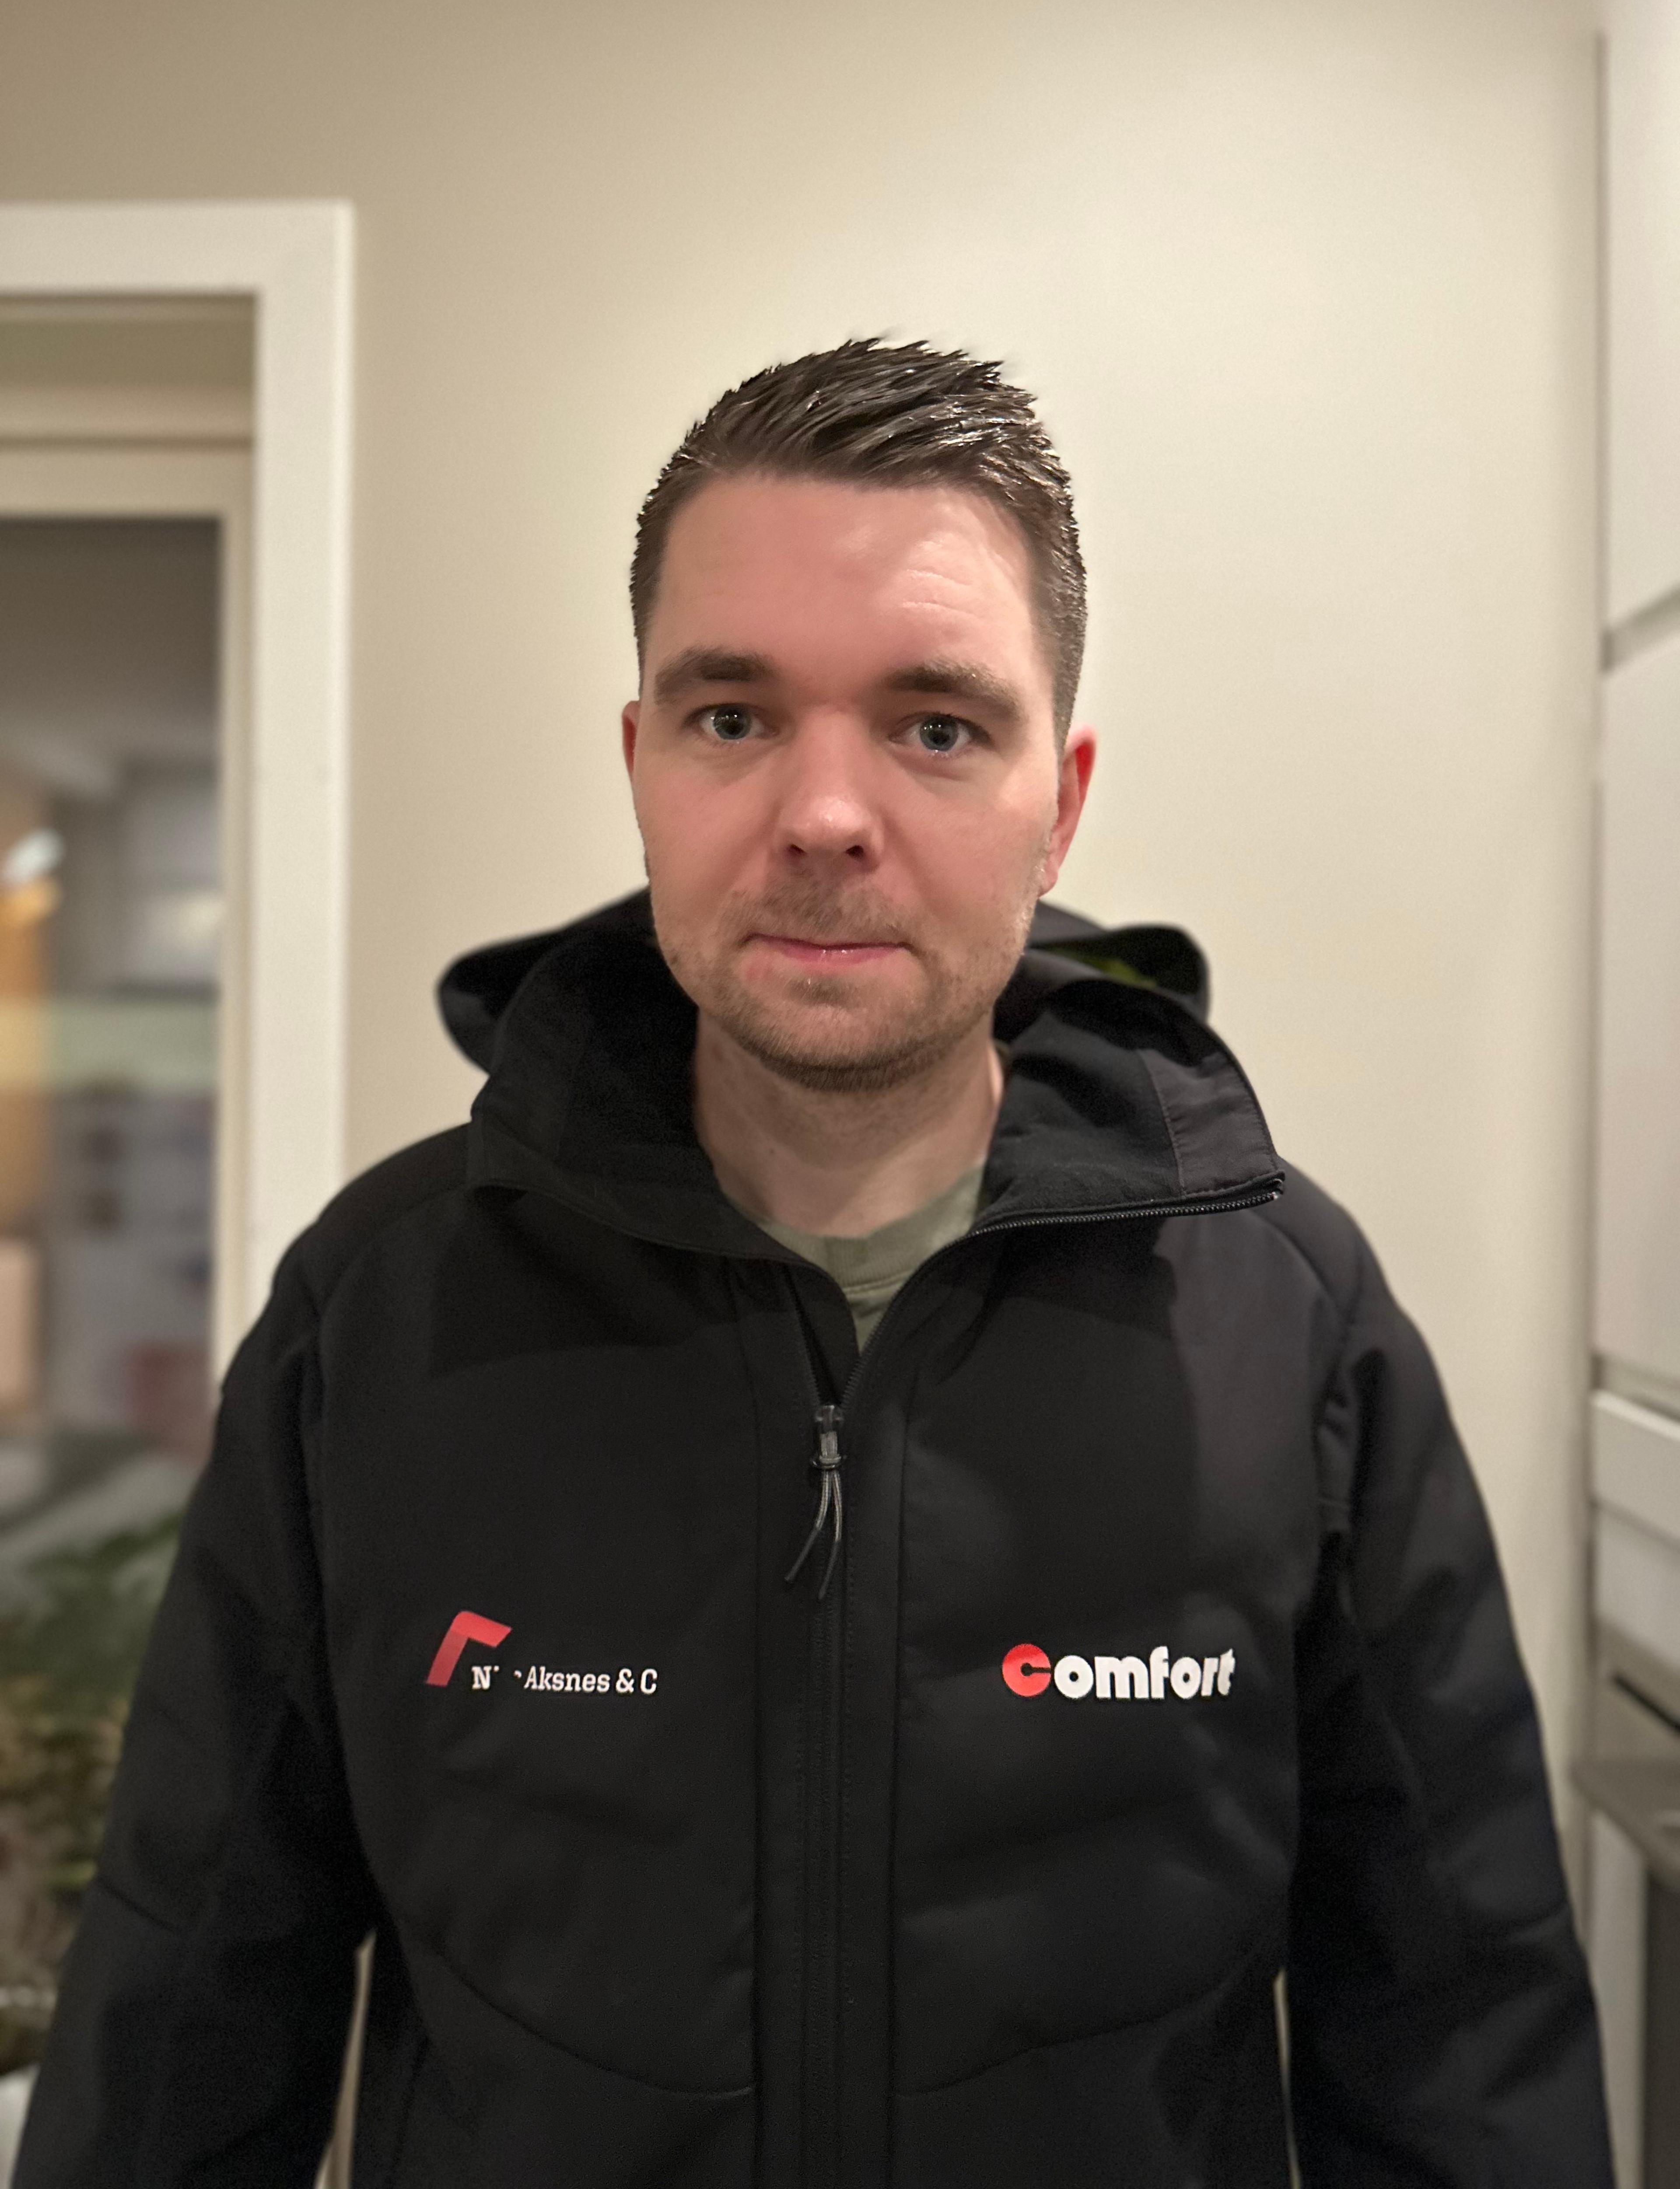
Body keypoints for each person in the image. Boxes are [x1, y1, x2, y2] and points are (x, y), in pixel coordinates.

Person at [18, 340, 1612, 2188]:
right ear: (640, 762)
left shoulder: (1288, 1323)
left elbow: (1459, 2043)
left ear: (1061, 801)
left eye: (935, 726)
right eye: (734, 716)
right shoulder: (380, 1314)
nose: (826, 814)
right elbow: (184, 2020)